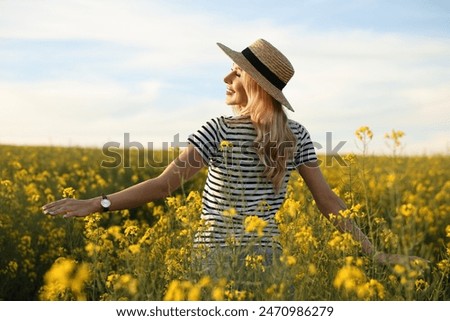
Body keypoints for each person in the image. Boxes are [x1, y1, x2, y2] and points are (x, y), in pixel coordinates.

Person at [42, 38, 421, 269]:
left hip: (212, 258)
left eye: (235, 73)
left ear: (253, 84)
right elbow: (329, 203)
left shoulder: (218, 129)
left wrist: (97, 203)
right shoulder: (298, 135)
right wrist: (372, 252)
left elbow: (162, 187)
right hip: (268, 262)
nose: (226, 79)